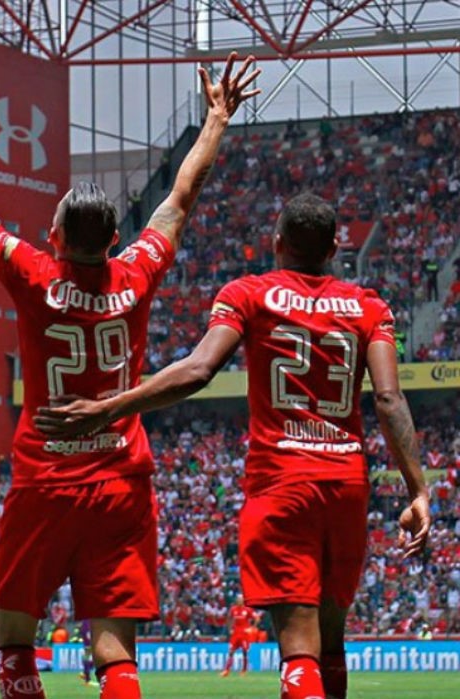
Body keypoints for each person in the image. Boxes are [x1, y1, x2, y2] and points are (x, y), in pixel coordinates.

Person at [0, 41, 260, 699]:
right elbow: (181, 195)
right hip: (122, 479)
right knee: (115, 653)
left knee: (15, 640)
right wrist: (216, 118)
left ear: (57, 237)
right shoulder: (136, 274)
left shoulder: (34, 276)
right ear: (113, 240)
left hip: (45, 478)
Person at [36, 192, 432, 699]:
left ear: (277, 243)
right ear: (335, 249)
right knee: (332, 640)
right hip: (346, 485)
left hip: (282, 483)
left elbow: (199, 370)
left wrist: (108, 408)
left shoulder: (249, 294)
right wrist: (417, 490)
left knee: (299, 646)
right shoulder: (369, 306)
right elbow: (389, 397)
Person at [221, 595, 260, 677]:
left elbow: (257, 618)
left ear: (243, 600)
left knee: (244, 652)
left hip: (244, 634)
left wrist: (252, 628)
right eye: (238, 599)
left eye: (240, 599)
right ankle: (226, 670)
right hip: (235, 633)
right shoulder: (233, 609)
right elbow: (229, 618)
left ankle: (244, 670)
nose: (239, 601)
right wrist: (230, 629)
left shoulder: (248, 609)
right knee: (231, 651)